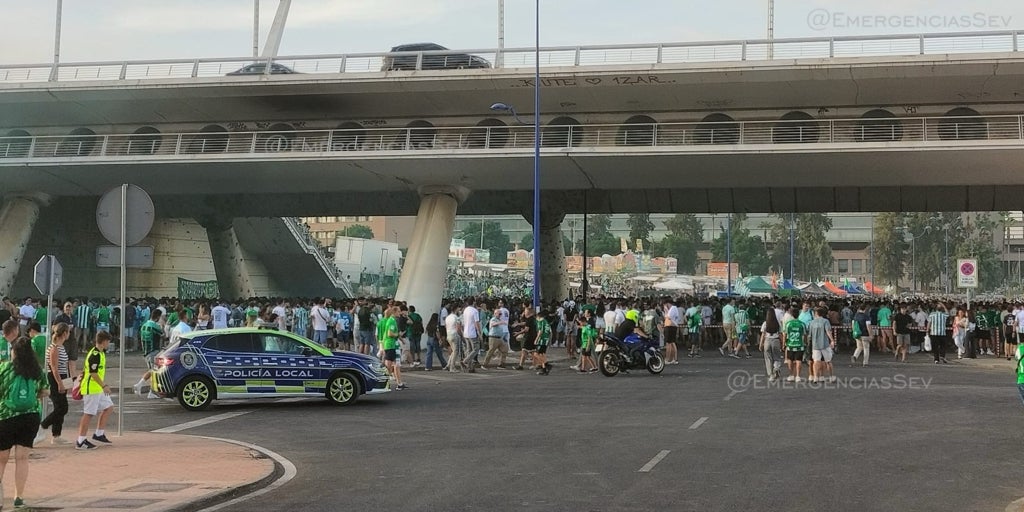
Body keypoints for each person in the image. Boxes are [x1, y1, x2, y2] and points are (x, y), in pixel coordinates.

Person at [0, 336, 49, 509]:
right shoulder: (36, 370)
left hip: (6, 416)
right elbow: (45, 391)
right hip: (30, 417)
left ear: (14, 352)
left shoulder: (4, 368)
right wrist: (32, 396)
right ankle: (18, 497)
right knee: (22, 458)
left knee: (1, 459)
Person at [76, 331, 114, 450]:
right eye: (108, 341)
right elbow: (93, 373)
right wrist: (104, 386)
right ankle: (80, 440)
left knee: (109, 407)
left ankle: (99, 433)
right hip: (92, 388)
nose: (109, 344)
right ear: (103, 342)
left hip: (98, 388)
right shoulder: (95, 355)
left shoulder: (101, 353)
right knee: (89, 413)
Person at [41, 323, 72, 445]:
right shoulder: (54, 348)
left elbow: (64, 366)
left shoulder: (61, 347)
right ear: (64, 333)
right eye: (68, 332)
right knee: (62, 408)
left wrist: (67, 381)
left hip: (62, 377)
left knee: (60, 407)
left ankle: (56, 434)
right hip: (55, 379)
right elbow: (54, 368)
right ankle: (43, 426)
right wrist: (60, 383)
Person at [133, 309, 164, 397]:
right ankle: (142, 386)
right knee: (154, 371)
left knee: (153, 370)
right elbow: (163, 335)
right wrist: (162, 325)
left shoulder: (144, 325)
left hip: (146, 351)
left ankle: (149, 390)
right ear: (158, 317)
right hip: (154, 350)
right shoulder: (155, 326)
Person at [381, 307, 406, 390]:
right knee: (389, 366)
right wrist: (398, 335)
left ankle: (399, 383)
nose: (400, 313)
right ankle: (384, 383)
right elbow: (390, 333)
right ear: (394, 312)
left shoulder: (391, 321)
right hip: (390, 345)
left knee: (395, 365)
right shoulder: (391, 321)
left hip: (392, 345)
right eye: (398, 311)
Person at [808, 307, 836, 383]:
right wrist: (832, 340)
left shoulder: (811, 322)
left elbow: (809, 335)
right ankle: (831, 377)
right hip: (825, 344)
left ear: (816, 313)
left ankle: (815, 377)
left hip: (815, 345)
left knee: (816, 361)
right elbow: (828, 331)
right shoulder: (825, 321)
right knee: (828, 361)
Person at [782, 308, 806, 382]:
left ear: (791, 315)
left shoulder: (788, 324)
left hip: (790, 344)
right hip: (799, 344)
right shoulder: (802, 324)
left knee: (790, 360)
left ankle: (791, 374)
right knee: (799, 360)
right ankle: (798, 376)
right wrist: (805, 343)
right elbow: (804, 335)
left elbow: (785, 335)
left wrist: (783, 344)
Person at [759, 309, 783, 382]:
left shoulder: (765, 323)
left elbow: (763, 335)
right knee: (777, 357)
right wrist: (782, 343)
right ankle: (776, 368)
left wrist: (761, 344)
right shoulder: (777, 323)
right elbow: (780, 334)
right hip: (776, 340)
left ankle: (771, 375)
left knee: (768, 358)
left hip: (767, 340)